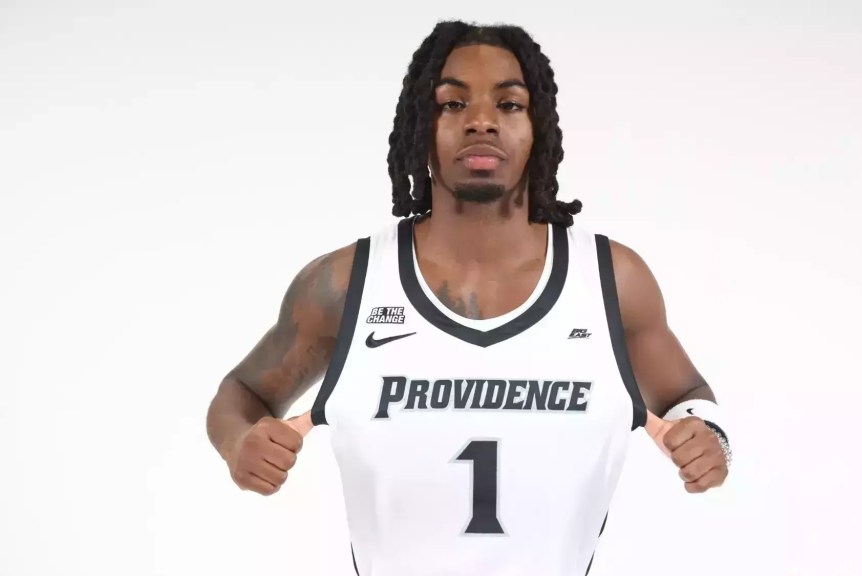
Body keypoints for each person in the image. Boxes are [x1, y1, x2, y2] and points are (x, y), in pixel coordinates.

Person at [205, 20, 732, 576]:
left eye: (509, 104)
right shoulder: (346, 284)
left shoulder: (611, 282)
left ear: (539, 126)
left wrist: (710, 439)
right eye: (453, 104)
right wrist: (239, 442)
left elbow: (688, 396)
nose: (481, 121)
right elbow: (242, 392)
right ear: (419, 124)